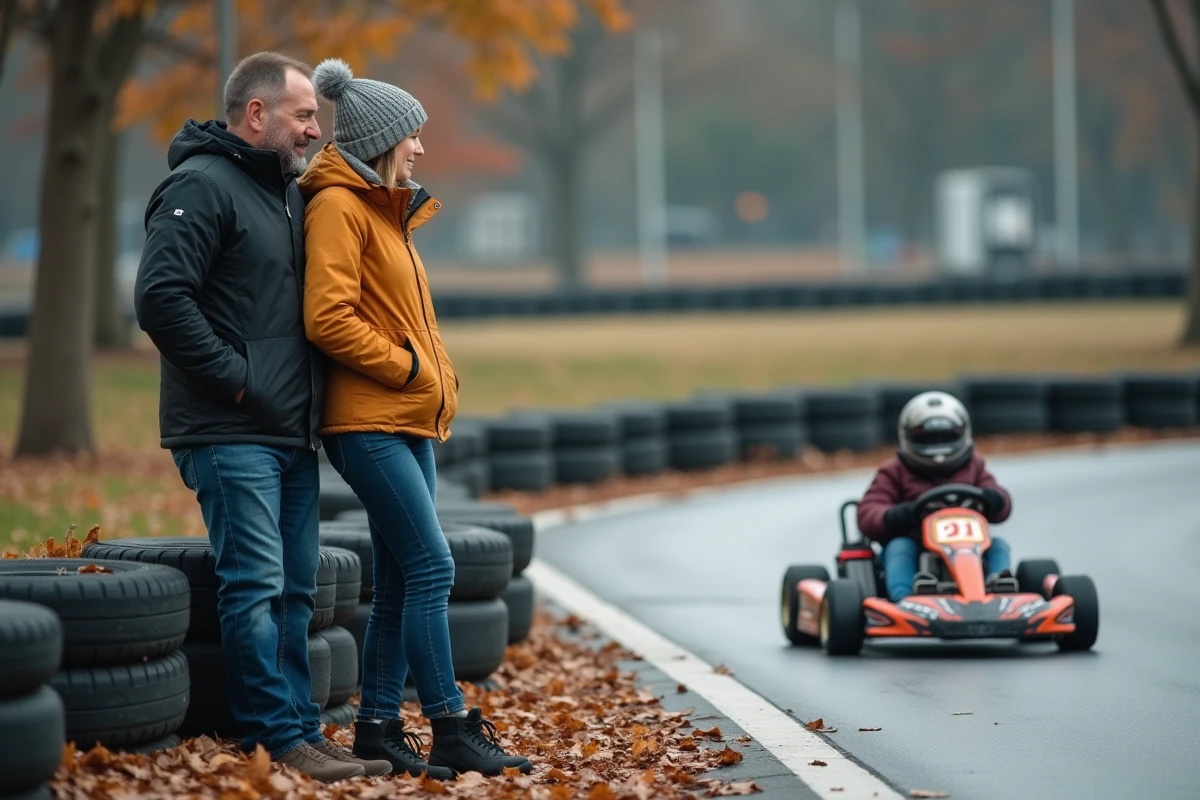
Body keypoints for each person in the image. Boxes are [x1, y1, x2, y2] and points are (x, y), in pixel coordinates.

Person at [134, 51, 391, 783]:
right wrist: (240, 384)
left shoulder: (287, 193)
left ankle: (300, 733)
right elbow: (160, 300)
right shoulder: (200, 186)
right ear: (258, 114)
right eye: (305, 115)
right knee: (256, 584)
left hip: (286, 429)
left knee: (296, 588)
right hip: (229, 429)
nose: (315, 130)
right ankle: (277, 740)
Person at [300, 58, 533, 780]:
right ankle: (450, 725)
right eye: (412, 135)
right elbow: (326, 317)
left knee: (405, 577)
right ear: (381, 141)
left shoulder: (386, 210)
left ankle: (375, 728)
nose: (422, 149)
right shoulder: (339, 207)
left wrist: (430, 379)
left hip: (408, 420)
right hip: (367, 422)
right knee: (433, 564)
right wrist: (406, 369)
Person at [856, 391, 1015, 602]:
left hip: (969, 545)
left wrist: (996, 500)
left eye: (945, 437)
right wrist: (900, 514)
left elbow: (998, 496)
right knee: (900, 546)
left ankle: (999, 588)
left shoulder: (974, 465)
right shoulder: (894, 471)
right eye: (927, 439)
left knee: (998, 544)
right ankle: (904, 600)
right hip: (916, 542)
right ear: (909, 437)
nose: (937, 445)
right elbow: (869, 511)